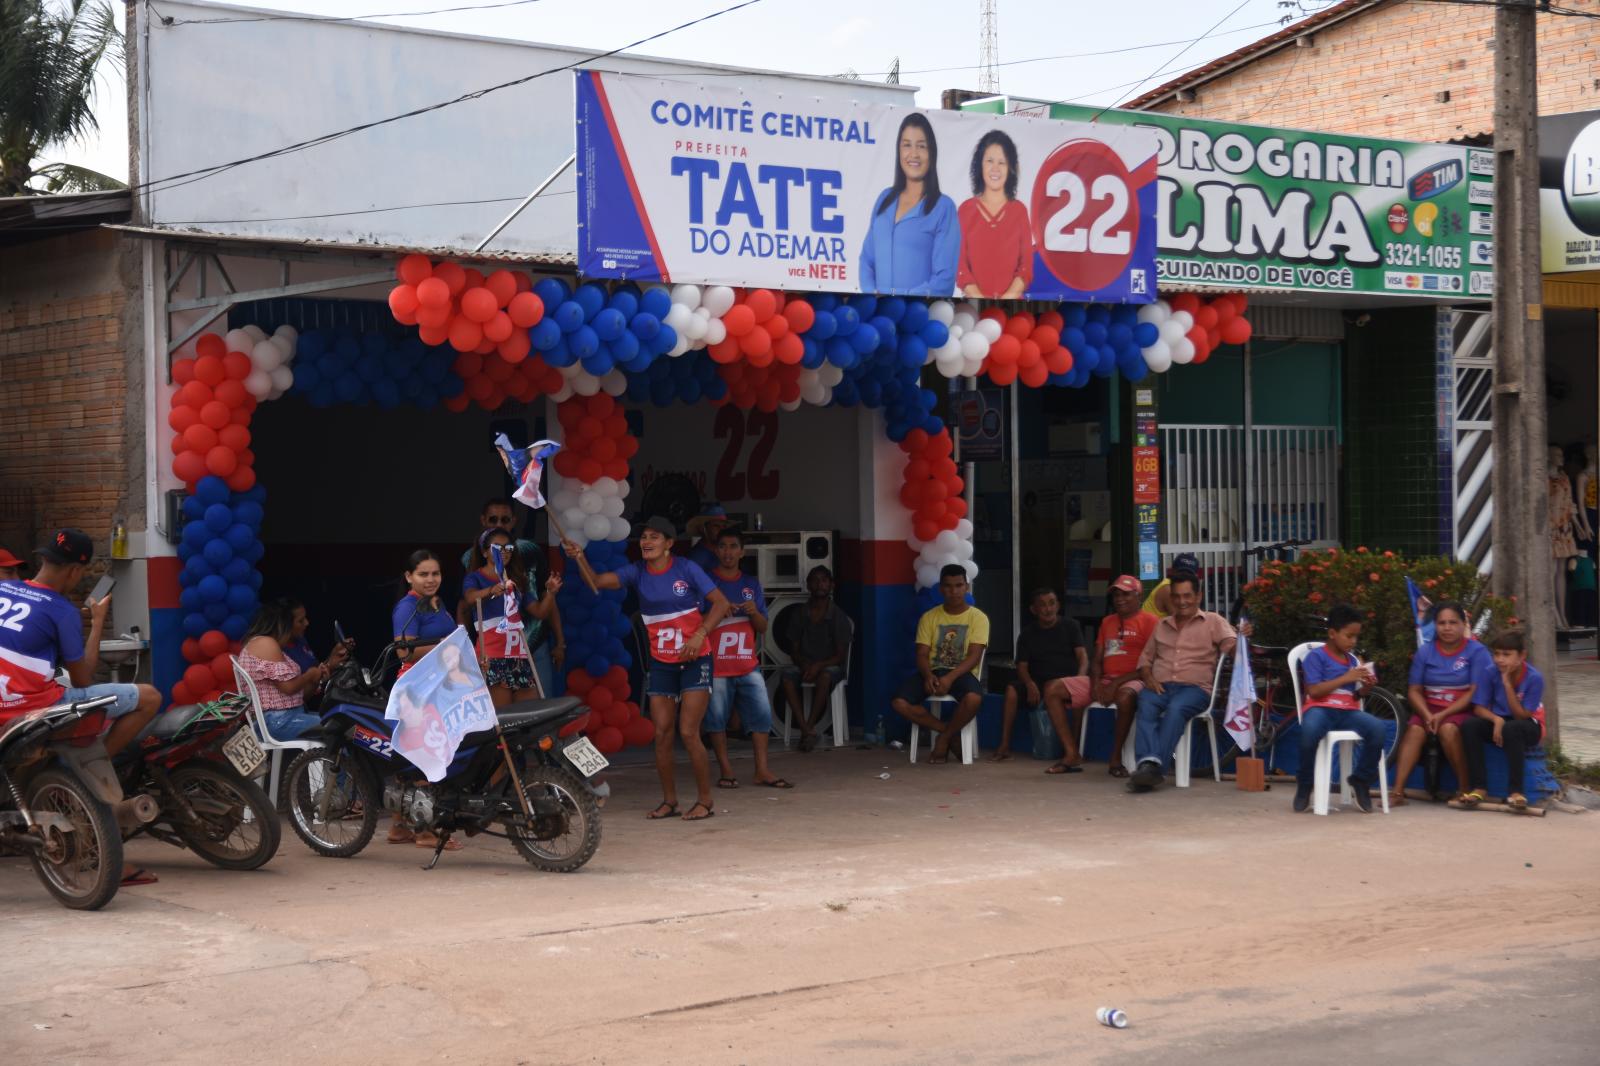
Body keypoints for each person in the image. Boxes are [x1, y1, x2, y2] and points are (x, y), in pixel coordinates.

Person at [0, 530, 163, 885]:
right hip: (37, 711)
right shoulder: (61, 610)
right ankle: (85, 771)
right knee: (149, 697)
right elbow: (84, 677)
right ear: (76, 571)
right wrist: (97, 619)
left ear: (43, 559)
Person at [563, 516, 731, 822]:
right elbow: (598, 583)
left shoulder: (686, 568)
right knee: (663, 734)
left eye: (655, 537)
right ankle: (670, 801)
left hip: (696, 660)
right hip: (662, 662)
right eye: (644, 537)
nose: (647, 542)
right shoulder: (637, 572)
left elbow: (720, 604)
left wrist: (699, 634)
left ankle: (705, 801)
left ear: (669, 544)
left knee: (688, 732)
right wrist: (580, 557)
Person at [1127, 571, 1239, 793]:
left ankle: (1153, 767)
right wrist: (1148, 677)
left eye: (1187, 596)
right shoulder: (1162, 625)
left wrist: (1242, 637)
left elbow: (1233, 649)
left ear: (1198, 596)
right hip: (1160, 686)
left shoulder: (1213, 621)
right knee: (1145, 703)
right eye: (1176, 596)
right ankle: (1148, 764)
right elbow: (1145, 659)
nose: (1181, 601)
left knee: (1175, 709)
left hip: (1195, 690)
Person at [704, 529, 790, 790]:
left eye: (733, 546)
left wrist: (753, 613)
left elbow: (763, 627)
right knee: (716, 719)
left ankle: (761, 770)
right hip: (717, 666)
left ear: (742, 552)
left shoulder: (751, 584)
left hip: (747, 665)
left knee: (761, 717)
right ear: (716, 551)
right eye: (723, 546)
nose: (728, 552)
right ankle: (726, 770)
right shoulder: (707, 582)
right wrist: (719, 612)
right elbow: (695, 623)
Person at [459, 497, 565, 697]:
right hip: (492, 656)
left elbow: (540, 612)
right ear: (484, 552)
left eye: (508, 548)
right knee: (503, 720)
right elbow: (470, 599)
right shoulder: (475, 576)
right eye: (497, 548)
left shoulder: (517, 579)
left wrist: (550, 593)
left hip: (520, 654)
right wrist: (492, 590)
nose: (504, 552)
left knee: (530, 715)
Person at [1391, 600, 1493, 804]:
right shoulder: (1425, 652)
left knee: (1448, 729)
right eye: (1442, 623)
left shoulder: (1477, 651)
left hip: (1462, 710)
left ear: (1463, 624)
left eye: (1453, 622)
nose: (1447, 628)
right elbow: (1414, 690)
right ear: (1435, 625)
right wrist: (1428, 715)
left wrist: (1443, 715)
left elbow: (1475, 692)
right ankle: (1398, 792)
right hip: (1428, 709)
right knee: (1415, 731)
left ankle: (1464, 789)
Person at [890, 564, 989, 764]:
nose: (954, 591)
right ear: (941, 589)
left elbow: (974, 656)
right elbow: (921, 653)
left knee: (974, 699)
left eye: (959, 585)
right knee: (899, 702)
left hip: (962, 672)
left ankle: (943, 739)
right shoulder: (929, 617)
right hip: (932, 671)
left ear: (966, 587)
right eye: (949, 586)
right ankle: (949, 734)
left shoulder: (978, 617)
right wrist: (928, 676)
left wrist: (950, 678)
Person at [1293, 604, 1386, 814]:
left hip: (1348, 711)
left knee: (1378, 729)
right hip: (1320, 708)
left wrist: (1365, 688)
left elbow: (1354, 695)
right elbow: (1315, 691)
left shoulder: (1353, 660)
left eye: (1356, 637)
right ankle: (1305, 784)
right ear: (1332, 633)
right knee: (1309, 732)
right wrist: (1346, 677)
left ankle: (1361, 780)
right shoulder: (1316, 657)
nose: (1353, 642)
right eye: (1349, 636)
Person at [859, 112, 960, 296]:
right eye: (907, 145)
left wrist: (901, 298)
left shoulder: (943, 208)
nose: (913, 154)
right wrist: (871, 293)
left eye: (921, 146)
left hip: (918, 314)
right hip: (877, 313)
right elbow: (867, 260)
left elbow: (944, 279)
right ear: (899, 151)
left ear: (932, 153)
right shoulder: (884, 199)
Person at [991, 587, 1089, 772]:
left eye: (1052, 603)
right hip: (1037, 683)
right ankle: (1004, 746)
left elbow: (1082, 657)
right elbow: (1022, 667)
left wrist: (1080, 678)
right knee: (1012, 690)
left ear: (1058, 605)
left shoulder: (1070, 626)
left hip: (1066, 682)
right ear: (1033, 610)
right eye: (1042, 605)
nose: (1048, 609)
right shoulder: (1027, 634)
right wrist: (1029, 684)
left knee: (1079, 697)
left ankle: (1073, 749)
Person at [1459, 630, 1546, 810]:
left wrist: (1507, 684)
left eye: (1506, 654)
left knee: (1512, 728)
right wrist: (1496, 719)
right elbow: (1478, 708)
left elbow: (1522, 715)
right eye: (1496, 654)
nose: (1499, 659)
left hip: (1529, 725)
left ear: (1521, 655)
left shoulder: (1534, 678)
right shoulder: (1490, 672)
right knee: (1469, 725)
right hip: (1501, 721)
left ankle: (1516, 792)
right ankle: (1479, 787)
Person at [240, 599, 349, 740]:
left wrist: (316, 679)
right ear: (284, 624)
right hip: (277, 722)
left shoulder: (272, 646)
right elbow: (289, 687)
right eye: (300, 620)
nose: (307, 623)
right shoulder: (266, 643)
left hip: (286, 717)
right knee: (340, 729)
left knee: (341, 721)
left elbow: (299, 697)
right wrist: (309, 675)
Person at [775, 565, 852, 753]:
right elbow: (794, 650)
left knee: (825, 676)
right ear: (808, 585)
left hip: (830, 666)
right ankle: (806, 730)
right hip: (805, 664)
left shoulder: (837, 615)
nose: (820, 584)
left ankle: (809, 727)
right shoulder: (800, 613)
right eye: (815, 580)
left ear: (832, 585)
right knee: (786, 676)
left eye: (824, 580)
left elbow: (840, 656)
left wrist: (818, 666)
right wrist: (804, 664)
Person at [1089, 575, 1159, 779]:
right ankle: (1071, 754)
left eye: (1126, 595)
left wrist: (1116, 683)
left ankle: (1115, 756)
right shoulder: (1107, 622)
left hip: (1136, 678)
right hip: (1105, 679)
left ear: (1139, 596)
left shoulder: (1150, 621)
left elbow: (1150, 664)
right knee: (1055, 689)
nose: (1120, 599)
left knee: (1124, 697)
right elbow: (1097, 658)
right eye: (1116, 595)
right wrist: (1095, 684)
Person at [958, 130, 1032, 299]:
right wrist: (981, 301)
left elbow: (1026, 266)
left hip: (1012, 307)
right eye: (989, 161)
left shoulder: (1019, 211)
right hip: (972, 307)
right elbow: (960, 266)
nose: (995, 168)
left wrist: (1006, 300)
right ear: (980, 165)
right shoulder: (965, 210)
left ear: (1011, 168)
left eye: (1002, 162)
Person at [393, 550, 455, 674]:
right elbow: (403, 652)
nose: (431, 580)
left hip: (444, 676)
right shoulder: (407, 607)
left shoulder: (437, 602)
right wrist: (446, 645)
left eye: (435, 574)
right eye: (423, 574)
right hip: (421, 682)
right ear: (409, 577)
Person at [1141, 552, 1199, 618]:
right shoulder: (1168, 588)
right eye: (1181, 573)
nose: (1183, 577)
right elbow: (1181, 619)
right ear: (1172, 571)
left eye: (1188, 574)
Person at [684, 503, 732, 575]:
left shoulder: (724, 553)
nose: (721, 530)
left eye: (724, 526)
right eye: (716, 526)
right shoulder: (695, 559)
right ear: (703, 529)